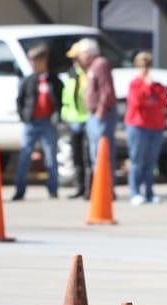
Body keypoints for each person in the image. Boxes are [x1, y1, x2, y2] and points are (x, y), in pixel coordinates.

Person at [12, 45, 63, 201]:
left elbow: (61, 100)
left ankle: (53, 189)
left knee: (51, 156)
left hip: (48, 123)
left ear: (43, 60)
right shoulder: (28, 80)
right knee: (24, 156)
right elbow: (20, 100)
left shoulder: (54, 80)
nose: (32, 64)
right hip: (31, 123)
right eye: (31, 61)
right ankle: (19, 190)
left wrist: (57, 114)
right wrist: (24, 117)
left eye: (35, 60)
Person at [124, 51, 167, 206]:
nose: (145, 69)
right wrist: (146, 88)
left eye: (147, 65)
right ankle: (135, 192)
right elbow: (136, 102)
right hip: (138, 127)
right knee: (137, 160)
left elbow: (163, 103)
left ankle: (149, 193)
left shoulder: (157, 86)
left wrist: (152, 88)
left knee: (151, 162)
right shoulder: (135, 84)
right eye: (142, 66)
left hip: (155, 127)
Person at [76, 38, 117, 194]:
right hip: (93, 115)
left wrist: (100, 110)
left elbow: (106, 89)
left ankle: (107, 188)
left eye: (81, 53)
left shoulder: (100, 64)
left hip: (102, 115)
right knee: (95, 153)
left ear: (88, 53)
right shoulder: (91, 66)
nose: (80, 57)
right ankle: (100, 187)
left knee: (102, 152)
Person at [61, 41, 90, 199]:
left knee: (88, 157)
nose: (74, 61)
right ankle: (80, 187)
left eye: (76, 57)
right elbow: (67, 97)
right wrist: (65, 114)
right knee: (76, 157)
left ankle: (89, 189)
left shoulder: (88, 74)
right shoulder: (71, 73)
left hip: (87, 120)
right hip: (74, 121)